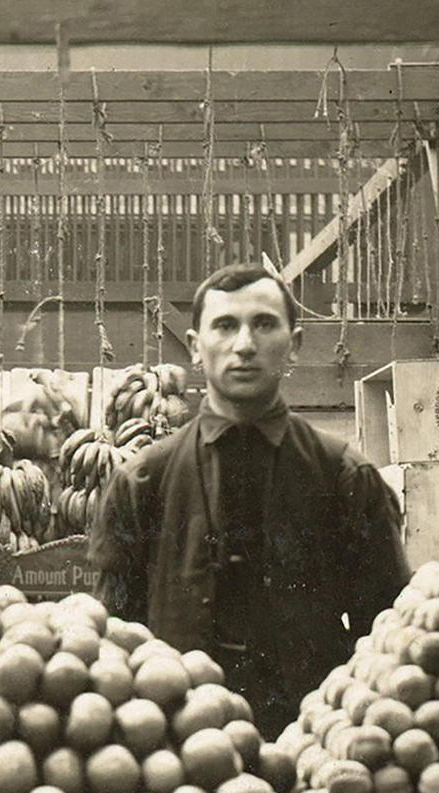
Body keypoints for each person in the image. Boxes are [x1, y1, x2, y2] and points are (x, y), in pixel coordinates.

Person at [88, 263, 410, 738]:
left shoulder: (344, 476)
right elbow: (111, 643)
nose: (244, 344)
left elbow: (386, 640)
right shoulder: (142, 481)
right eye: (225, 326)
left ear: (294, 344)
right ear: (196, 347)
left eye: (263, 324)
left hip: (316, 749)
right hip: (174, 755)